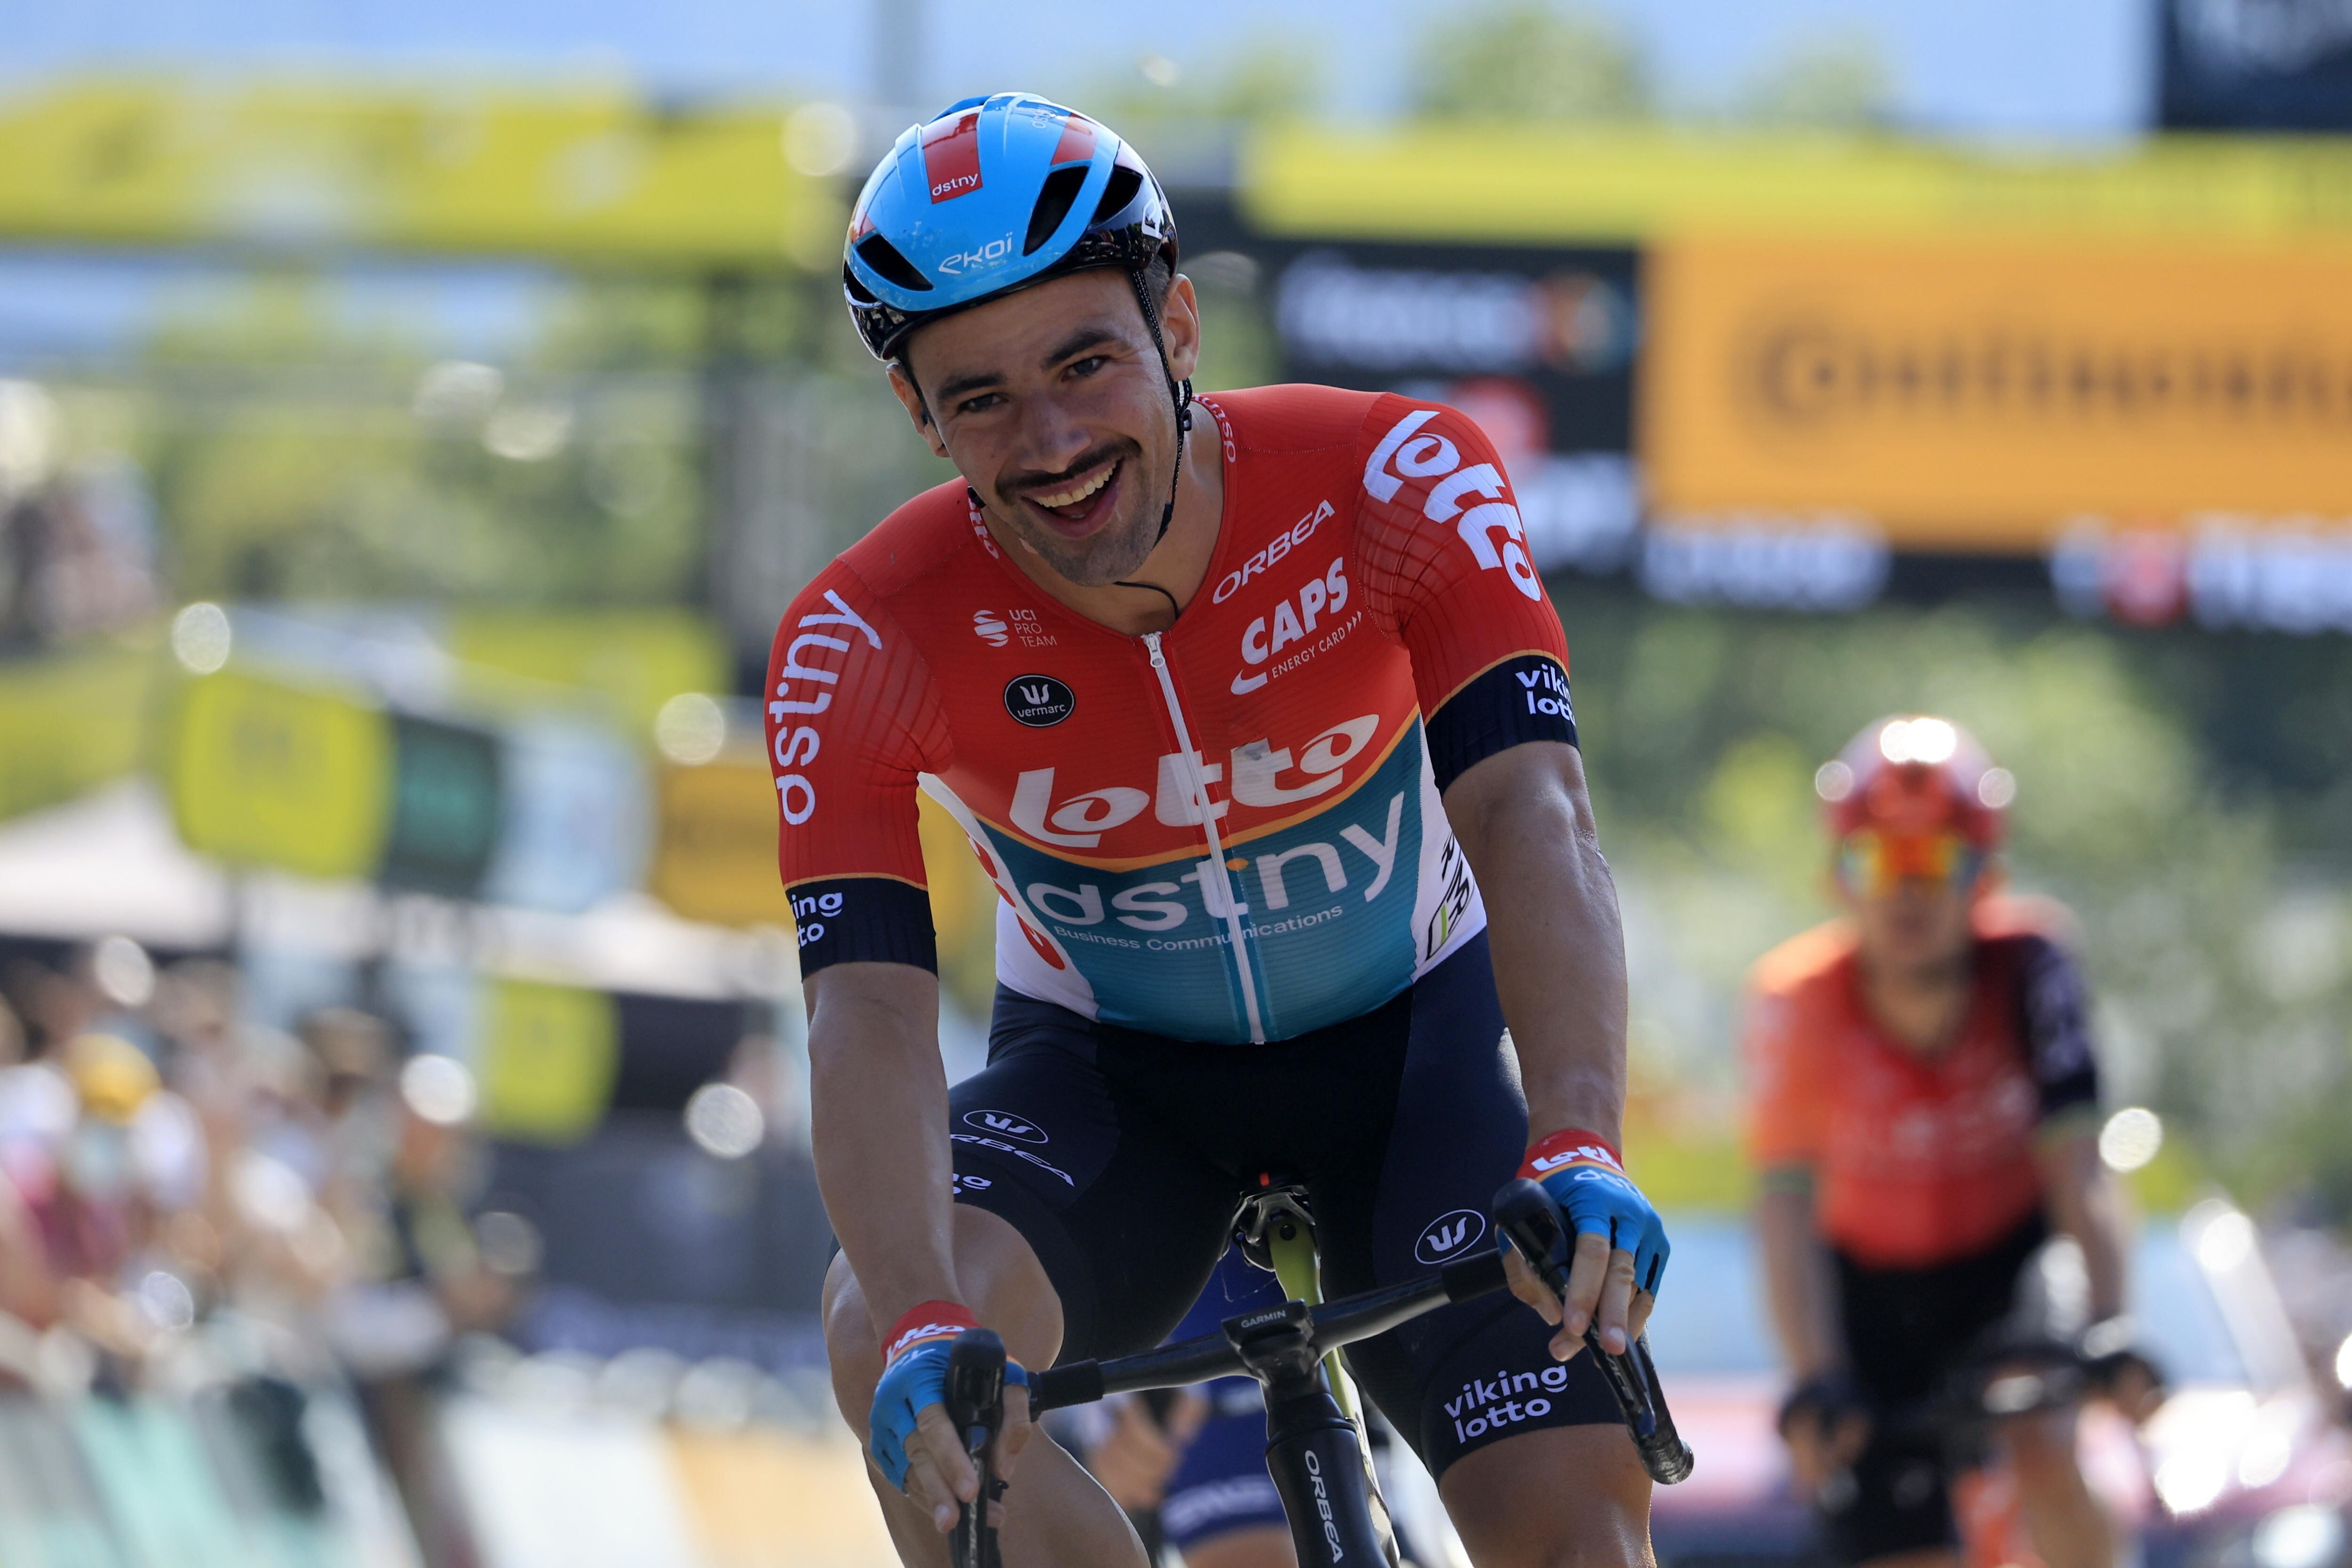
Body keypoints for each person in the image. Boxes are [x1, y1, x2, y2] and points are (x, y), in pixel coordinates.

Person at [774, 93, 1669, 1568]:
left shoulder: (1394, 480)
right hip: (1117, 1091)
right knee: (889, 1338)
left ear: (1179, 328)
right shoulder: (860, 638)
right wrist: (930, 1309)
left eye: (1086, 361)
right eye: (983, 397)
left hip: (1415, 1058)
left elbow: (1530, 803)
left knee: (1574, 1542)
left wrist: (1579, 1129)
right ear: (917, 415)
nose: (1055, 441)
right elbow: (863, 1003)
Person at [1745, 716, 2159, 1568]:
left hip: (2011, 1267)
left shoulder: (2035, 962)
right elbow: (1784, 1209)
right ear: (1839, 876)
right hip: (1871, 1290)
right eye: (1878, 861)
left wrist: (2113, 1322)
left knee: (2045, 1447)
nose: (1906, 891)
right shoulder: (1798, 999)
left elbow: (2080, 1168)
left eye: (1934, 861)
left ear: (1985, 876)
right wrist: (1817, 1368)